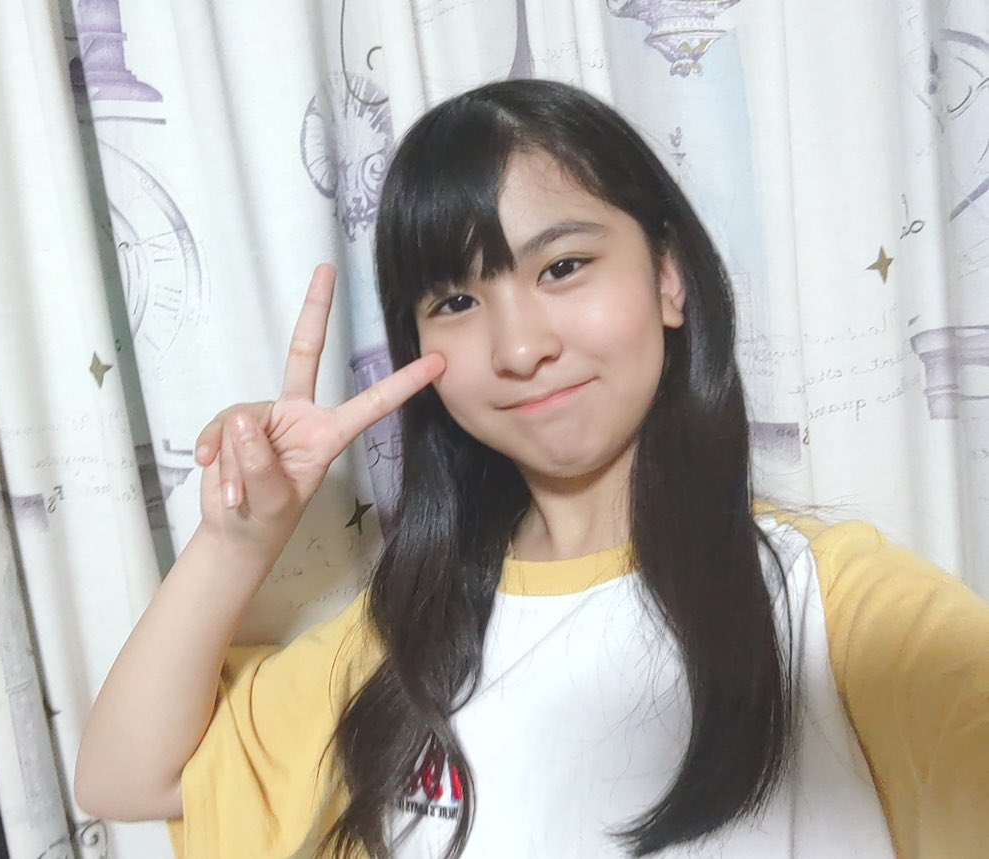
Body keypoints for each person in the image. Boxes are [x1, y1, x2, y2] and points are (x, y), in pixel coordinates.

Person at [74, 80, 989, 858]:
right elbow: (126, 778)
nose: (518, 348)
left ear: (668, 277)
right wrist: (240, 536)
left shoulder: (837, 607)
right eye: (457, 300)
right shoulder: (406, 643)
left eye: (563, 267)